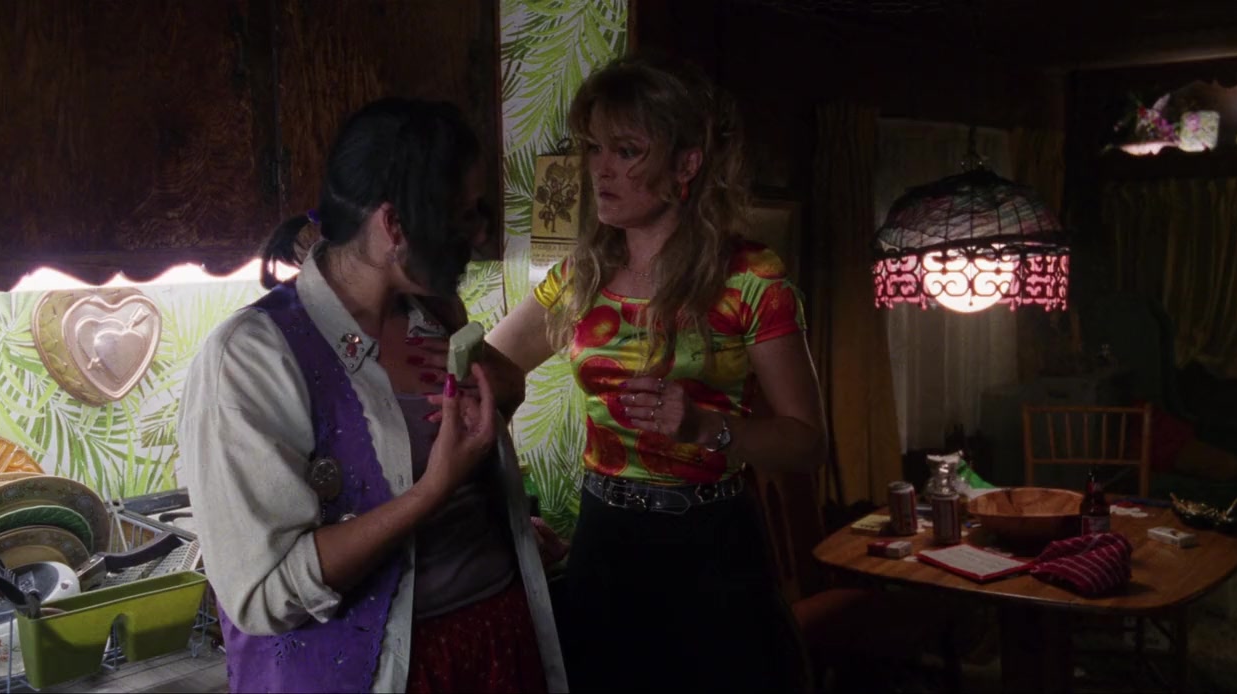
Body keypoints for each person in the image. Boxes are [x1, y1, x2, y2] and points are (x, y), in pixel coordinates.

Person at [178, 97, 567, 693]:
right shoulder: (251, 357)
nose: (481, 233)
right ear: (394, 226)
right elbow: (265, 593)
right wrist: (430, 492)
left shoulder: (435, 314)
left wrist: (503, 396)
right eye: (464, 215)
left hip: (498, 645)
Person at [487, 55, 827, 692]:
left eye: (626, 151)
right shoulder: (580, 277)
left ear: (686, 164)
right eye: (594, 148)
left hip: (711, 544)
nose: (600, 169)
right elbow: (486, 374)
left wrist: (707, 427)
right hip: (606, 536)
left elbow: (807, 442)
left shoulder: (750, 278)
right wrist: (500, 505)